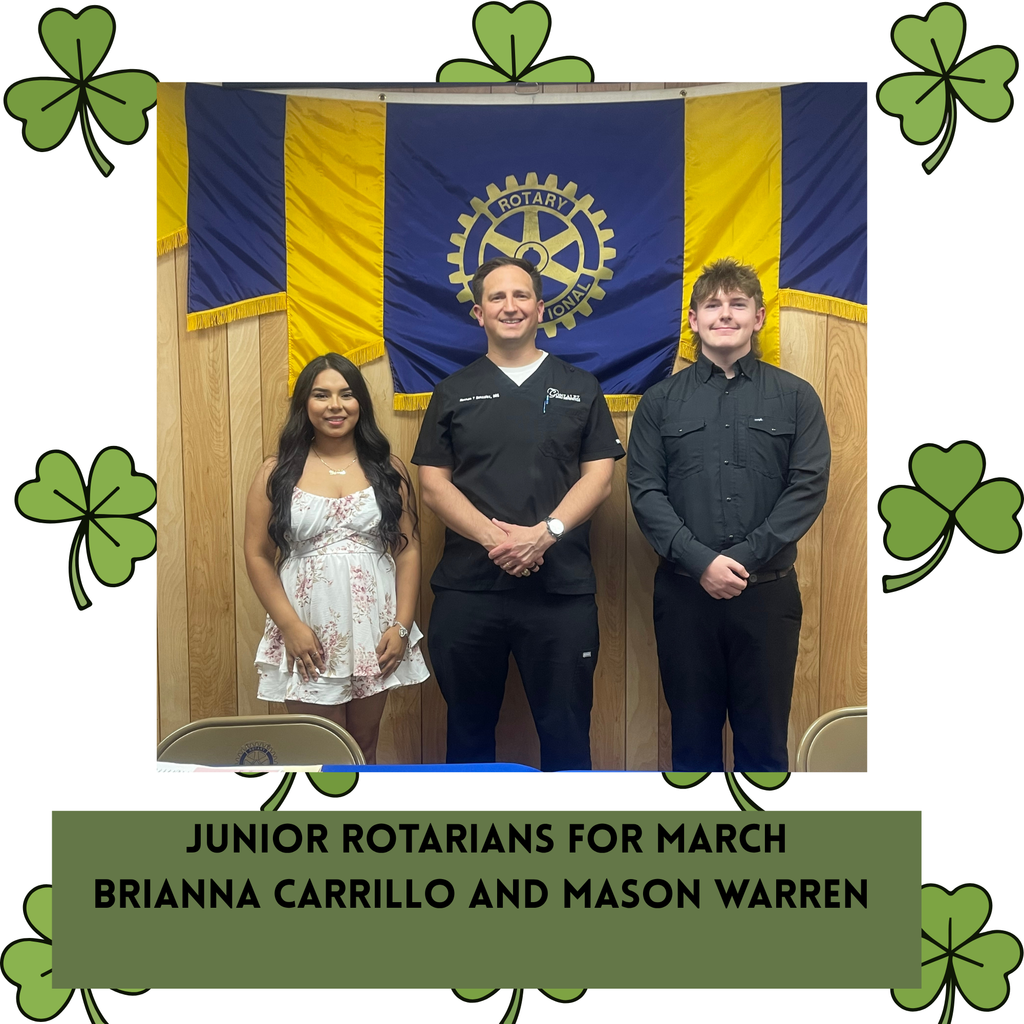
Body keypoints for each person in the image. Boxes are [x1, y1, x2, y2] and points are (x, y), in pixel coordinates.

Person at [412, 256, 623, 770]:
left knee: (568, 736)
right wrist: (498, 541)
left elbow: (600, 477)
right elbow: (433, 486)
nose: (511, 306)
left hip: (560, 594)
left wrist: (544, 535)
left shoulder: (580, 386)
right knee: (467, 735)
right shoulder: (452, 391)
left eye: (522, 296)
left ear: (541, 308)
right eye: (498, 297)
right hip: (469, 592)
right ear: (479, 314)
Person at [627, 258, 830, 772]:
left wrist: (735, 562)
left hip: (767, 595)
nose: (725, 314)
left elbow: (806, 490)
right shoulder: (660, 402)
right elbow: (646, 492)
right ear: (693, 321)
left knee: (763, 745)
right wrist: (701, 563)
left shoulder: (797, 398)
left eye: (737, 304)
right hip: (684, 596)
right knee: (691, 745)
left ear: (758, 318)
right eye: (712, 305)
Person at [244, 352, 428, 764]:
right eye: (321, 395)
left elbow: (409, 547)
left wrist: (402, 625)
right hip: (307, 627)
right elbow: (257, 554)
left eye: (346, 394)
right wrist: (290, 626)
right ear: (304, 405)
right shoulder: (277, 471)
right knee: (315, 749)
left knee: (363, 744)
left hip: (373, 627)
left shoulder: (387, 468)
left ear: (360, 402)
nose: (335, 405)